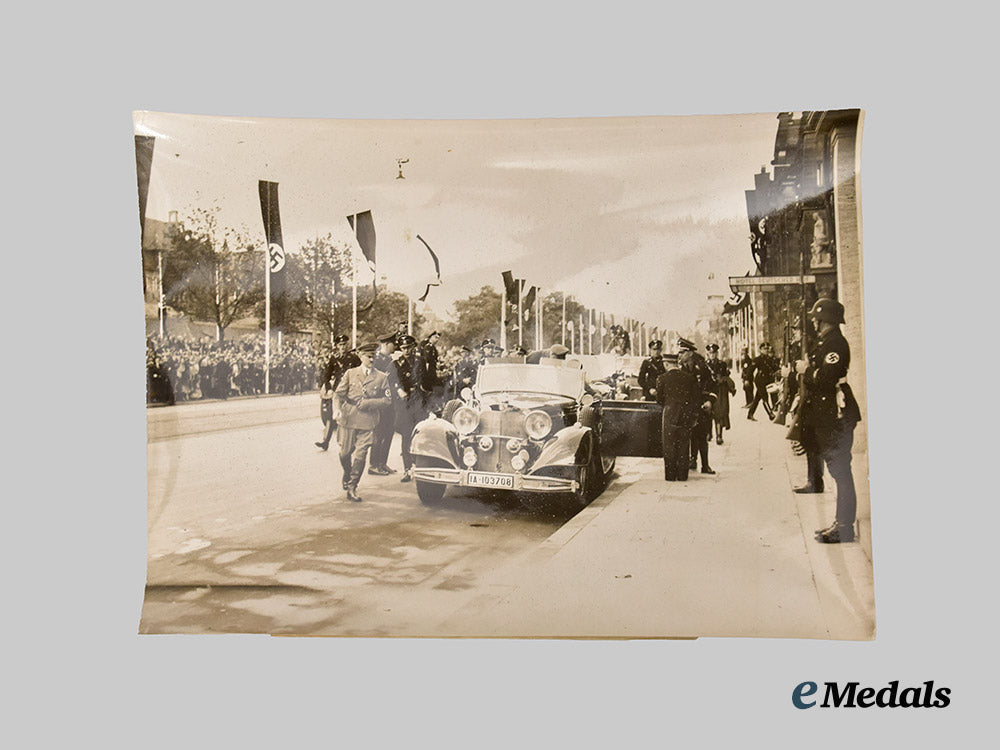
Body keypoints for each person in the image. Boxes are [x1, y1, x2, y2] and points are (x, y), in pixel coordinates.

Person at [793, 298, 862, 543]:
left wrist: (805, 370)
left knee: (841, 471)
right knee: (838, 470)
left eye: (816, 318)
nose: (813, 320)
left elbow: (825, 377)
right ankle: (840, 523)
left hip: (837, 416)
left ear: (826, 320)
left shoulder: (835, 344)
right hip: (828, 415)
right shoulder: (826, 342)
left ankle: (844, 526)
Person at [334, 342, 391, 502]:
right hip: (349, 418)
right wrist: (336, 409)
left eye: (373, 356)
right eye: (368, 356)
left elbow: (387, 400)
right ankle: (347, 472)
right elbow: (338, 394)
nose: (371, 359)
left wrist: (370, 403)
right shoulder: (350, 373)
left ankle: (352, 486)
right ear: (361, 356)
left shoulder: (381, 377)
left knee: (361, 455)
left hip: (368, 420)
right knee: (345, 453)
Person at [656, 352, 705, 481]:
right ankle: (683, 475)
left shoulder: (662, 378)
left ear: (666, 364)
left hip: (670, 414)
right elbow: (696, 399)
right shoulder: (689, 378)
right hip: (686, 414)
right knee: (684, 444)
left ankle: (670, 476)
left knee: (669, 445)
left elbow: (659, 399)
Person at [390, 334, 426, 482]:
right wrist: (398, 390)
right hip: (404, 403)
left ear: (413, 347)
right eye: (404, 348)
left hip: (418, 400)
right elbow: (391, 381)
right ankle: (407, 469)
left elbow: (426, 379)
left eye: (409, 347)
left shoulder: (420, 361)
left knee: (420, 433)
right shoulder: (395, 363)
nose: (407, 351)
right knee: (406, 435)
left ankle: (420, 466)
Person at [315, 335, 360, 451]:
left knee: (349, 417)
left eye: (344, 344)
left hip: (350, 391)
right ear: (336, 346)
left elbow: (360, 372)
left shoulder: (354, 358)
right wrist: (328, 387)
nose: (343, 347)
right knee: (331, 416)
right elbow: (326, 374)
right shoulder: (334, 358)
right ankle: (326, 441)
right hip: (337, 390)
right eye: (340, 345)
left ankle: (350, 443)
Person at [678, 338, 717, 474]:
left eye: (682, 352)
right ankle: (692, 460)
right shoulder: (682, 366)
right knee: (690, 434)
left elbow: (712, 385)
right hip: (687, 406)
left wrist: (710, 401)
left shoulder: (701, 366)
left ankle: (705, 465)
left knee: (701, 435)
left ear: (689, 353)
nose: (680, 355)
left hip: (700, 405)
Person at [368, 333, 399, 475]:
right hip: (380, 402)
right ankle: (374, 465)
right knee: (379, 434)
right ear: (387, 344)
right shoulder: (376, 360)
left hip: (390, 402)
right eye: (393, 343)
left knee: (388, 432)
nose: (395, 346)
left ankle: (382, 463)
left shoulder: (389, 359)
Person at [747, 342, 779, 420]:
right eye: (764, 349)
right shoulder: (757, 359)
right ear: (760, 350)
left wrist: (779, 371)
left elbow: (774, 368)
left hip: (767, 380)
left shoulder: (770, 359)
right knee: (765, 397)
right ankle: (770, 414)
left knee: (757, 398)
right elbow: (750, 370)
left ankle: (750, 414)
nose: (766, 350)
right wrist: (748, 380)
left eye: (767, 349)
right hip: (760, 381)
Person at [713, 364, 737, 445]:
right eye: (710, 353)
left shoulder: (721, 364)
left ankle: (719, 436)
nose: (712, 355)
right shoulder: (706, 364)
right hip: (711, 391)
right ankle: (709, 434)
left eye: (714, 353)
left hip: (721, 393)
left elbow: (729, 380)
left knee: (719, 414)